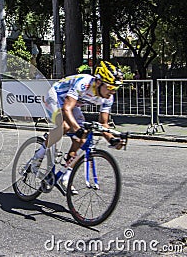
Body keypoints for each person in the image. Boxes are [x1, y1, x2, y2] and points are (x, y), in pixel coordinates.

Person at [31, 61, 125, 194]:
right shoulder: (84, 83)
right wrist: (77, 129)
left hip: (73, 105)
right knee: (65, 125)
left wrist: (113, 140)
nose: (112, 91)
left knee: (81, 140)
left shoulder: (108, 97)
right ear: (98, 82)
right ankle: (38, 156)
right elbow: (66, 108)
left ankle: (65, 176)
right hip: (55, 97)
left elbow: (103, 123)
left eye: (115, 88)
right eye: (110, 87)